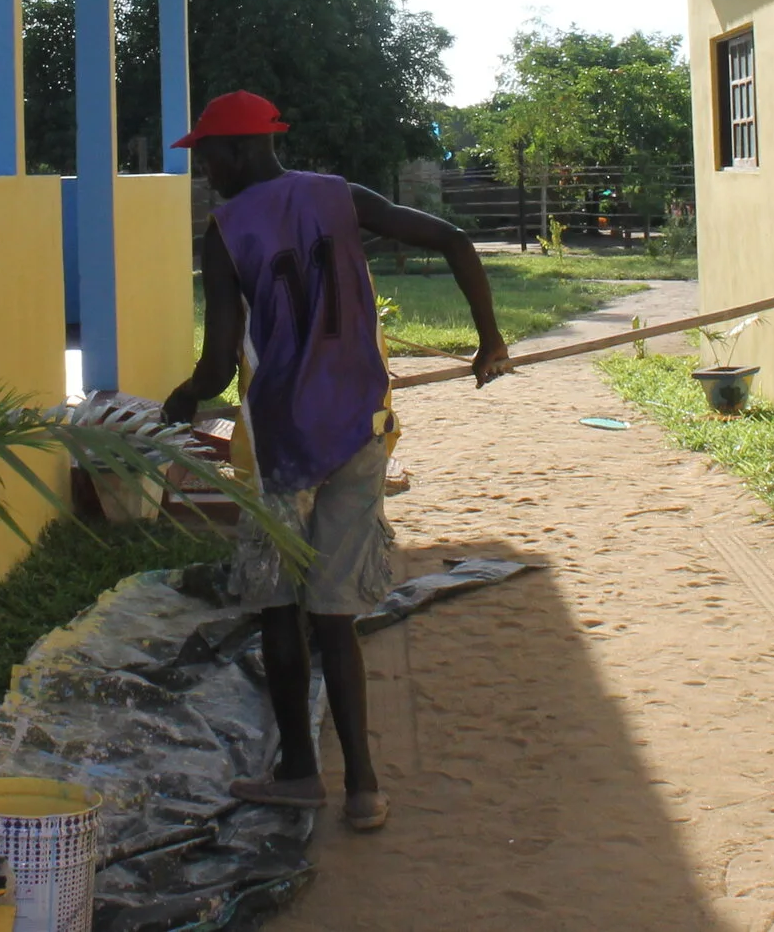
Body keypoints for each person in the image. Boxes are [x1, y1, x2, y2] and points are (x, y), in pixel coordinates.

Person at [161, 90, 513, 833]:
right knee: (335, 616)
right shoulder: (341, 196)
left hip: (280, 443)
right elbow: (454, 240)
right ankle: (364, 787)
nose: (205, 172)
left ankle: (298, 772)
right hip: (360, 429)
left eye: (209, 157)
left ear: (240, 151)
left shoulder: (225, 231)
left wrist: (182, 399)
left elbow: (219, 365)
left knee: (278, 606)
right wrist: (490, 339)